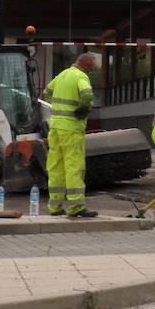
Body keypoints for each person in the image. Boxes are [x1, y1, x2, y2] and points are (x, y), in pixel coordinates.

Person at [44, 52, 99, 218]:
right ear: (87, 66)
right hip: (72, 128)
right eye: (91, 68)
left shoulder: (62, 75)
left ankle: (55, 206)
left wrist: (59, 108)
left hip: (55, 127)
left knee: (55, 166)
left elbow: (47, 92)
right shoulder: (81, 76)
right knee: (74, 166)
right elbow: (87, 94)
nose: (91, 71)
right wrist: (83, 108)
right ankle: (76, 206)